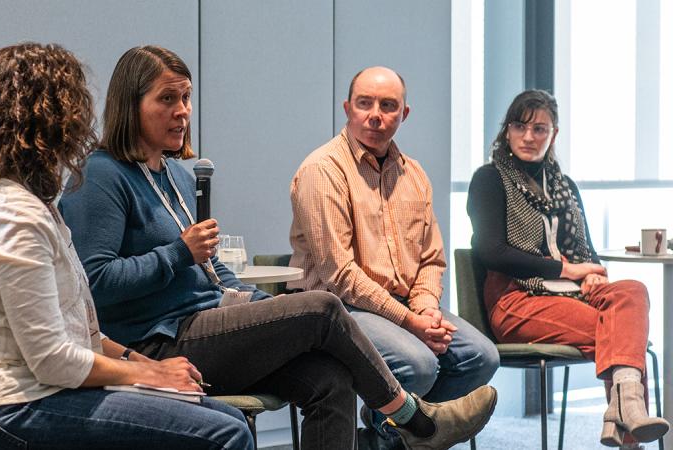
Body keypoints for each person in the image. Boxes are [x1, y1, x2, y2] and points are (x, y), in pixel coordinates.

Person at [58, 45, 497, 450]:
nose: (183, 112)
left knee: (331, 379)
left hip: (208, 322)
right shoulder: (101, 175)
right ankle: (414, 421)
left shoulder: (177, 177)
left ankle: (408, 422)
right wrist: (177, 254)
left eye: (186, 98)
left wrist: (248, 301)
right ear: (131, 105)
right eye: (167, 100)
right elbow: (92, 285)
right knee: (321, 307)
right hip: (156, 341)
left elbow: (210, 269)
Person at [0, 42, 255, 450]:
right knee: (223, 433)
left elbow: (77, 329)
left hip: (42, 391)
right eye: (72, 108)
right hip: (12, 408)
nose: (80, 122)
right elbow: (53, 360)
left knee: (227, 417)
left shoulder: (30, 204)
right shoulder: (11, 213)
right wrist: (149, 375)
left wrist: (139, 362)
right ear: (47, 120)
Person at [289, 66, 499, 446]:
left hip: (402, 305)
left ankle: (388, 439)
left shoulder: (414, 174)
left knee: (481, 357)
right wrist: (411, 322)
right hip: (334, 309)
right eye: (365, 103)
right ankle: (399, 436)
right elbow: (340, 275)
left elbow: (431, 259)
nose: (375, 114)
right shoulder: (323, 170)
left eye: (388, 106)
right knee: (417, 364)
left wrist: (425, 310)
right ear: (347, 108)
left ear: (404, 114)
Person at [467, 89, 670, 447]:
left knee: (632, 291)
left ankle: (619, 413)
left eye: (540, 129)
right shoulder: (490, 179)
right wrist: (567, 270)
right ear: (507, 131)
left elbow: (586, 250)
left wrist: (589, 272)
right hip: (517, 300)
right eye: (520, 126)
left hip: (572, 295)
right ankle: (628, 425)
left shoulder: (565, 187)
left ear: (554, 134)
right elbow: (492, 252)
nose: (529, 137)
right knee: (620, 331)